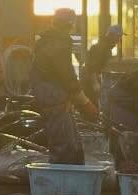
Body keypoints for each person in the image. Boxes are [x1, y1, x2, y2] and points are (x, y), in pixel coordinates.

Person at [30, 9, 98, 164]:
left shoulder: (46, 39)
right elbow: (66, 74)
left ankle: (71, 172)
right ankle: (61, 176)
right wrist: (85, 102)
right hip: (53, 96)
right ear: (71, 24)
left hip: (48, 94)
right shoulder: (60, 41)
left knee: (73, 145)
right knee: (65, 147)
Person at [79, 24, 122, 110]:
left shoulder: (106, 48)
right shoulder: (100, 48)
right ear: (112, 35)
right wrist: (95, 83)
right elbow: (91, 66)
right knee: (92, 106)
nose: (119, 39)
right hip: (89, 81)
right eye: (118, 36)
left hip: (92, 79)